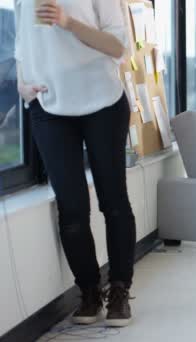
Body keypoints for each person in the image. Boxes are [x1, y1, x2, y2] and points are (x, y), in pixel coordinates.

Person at [15, 0, 135, 326]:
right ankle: (89, 291)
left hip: (104, 102)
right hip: (48, 106)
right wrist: (22, 85)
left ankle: (120, 289)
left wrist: (68, 22)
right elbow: (23, 43)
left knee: (113, 201)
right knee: (72, 207)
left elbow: (118, 46)